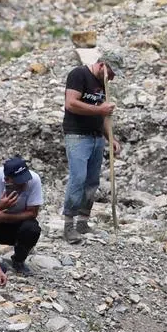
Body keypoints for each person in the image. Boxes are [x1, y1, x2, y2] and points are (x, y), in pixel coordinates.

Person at [62, 53, 121, 242]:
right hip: (77, 136)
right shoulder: (78, 74)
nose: (112, 78)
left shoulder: (103, 84)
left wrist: (110, 138)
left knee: (92, 181)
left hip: (96, 137)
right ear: (102, 65)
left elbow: (102, 116)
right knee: (78, 178)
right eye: (111, 73)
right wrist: (100, 109)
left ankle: (83, 222)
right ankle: (68, 225)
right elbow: (71, 104)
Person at [0, 155, 42, 276]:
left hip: (17, 226)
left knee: (32, 229)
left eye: (25, 180)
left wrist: (4, 217)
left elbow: (33, 213)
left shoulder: (34, 179)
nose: (24, 185)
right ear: (7, 180)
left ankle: (18, 261)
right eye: (19, 183)